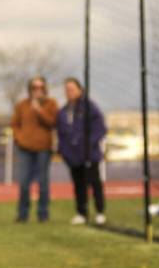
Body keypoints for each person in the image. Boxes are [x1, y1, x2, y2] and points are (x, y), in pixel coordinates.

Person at [57, 77, 108, 225]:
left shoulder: (89, 107)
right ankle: (81, 212)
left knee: (94, 183)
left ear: (80, 90)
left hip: (89, 155)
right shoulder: (63, 111)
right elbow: (61, 133)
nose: (69, 92)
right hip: (73, 157)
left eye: (72, 89)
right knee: (78, 185)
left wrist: (89, 144)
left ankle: (99, 212)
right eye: (67, 89)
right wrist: (64, 151)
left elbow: (101, 128)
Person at [10, 76, 58, 223]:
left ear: (45, 89)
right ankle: (22, 214)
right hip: (24, 148)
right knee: (24, 182)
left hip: (43, 148)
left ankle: (43, 214)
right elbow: (14, 124)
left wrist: (39, 110)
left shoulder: (51, 104)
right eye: (34, 88)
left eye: (40, 87)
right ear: (29, 89)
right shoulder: (22, 105)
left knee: (43, 183)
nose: (37, 91)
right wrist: (19, 138)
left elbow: (53, 123)